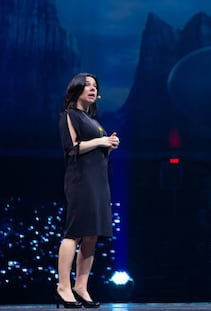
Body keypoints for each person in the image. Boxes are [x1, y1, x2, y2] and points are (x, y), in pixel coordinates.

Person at [55, 73, 120, 308]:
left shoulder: (93, 120)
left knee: (92, 234)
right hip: (80, 181)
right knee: (74, 232)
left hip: (99, 181)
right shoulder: (70, 116)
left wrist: (108, 144)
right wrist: (101, 142)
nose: (92, 89)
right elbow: (71, 149)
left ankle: (81, 286)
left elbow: (95, 150)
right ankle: (63, 286)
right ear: (77, 89)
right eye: (87, 85)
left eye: (95, 86)